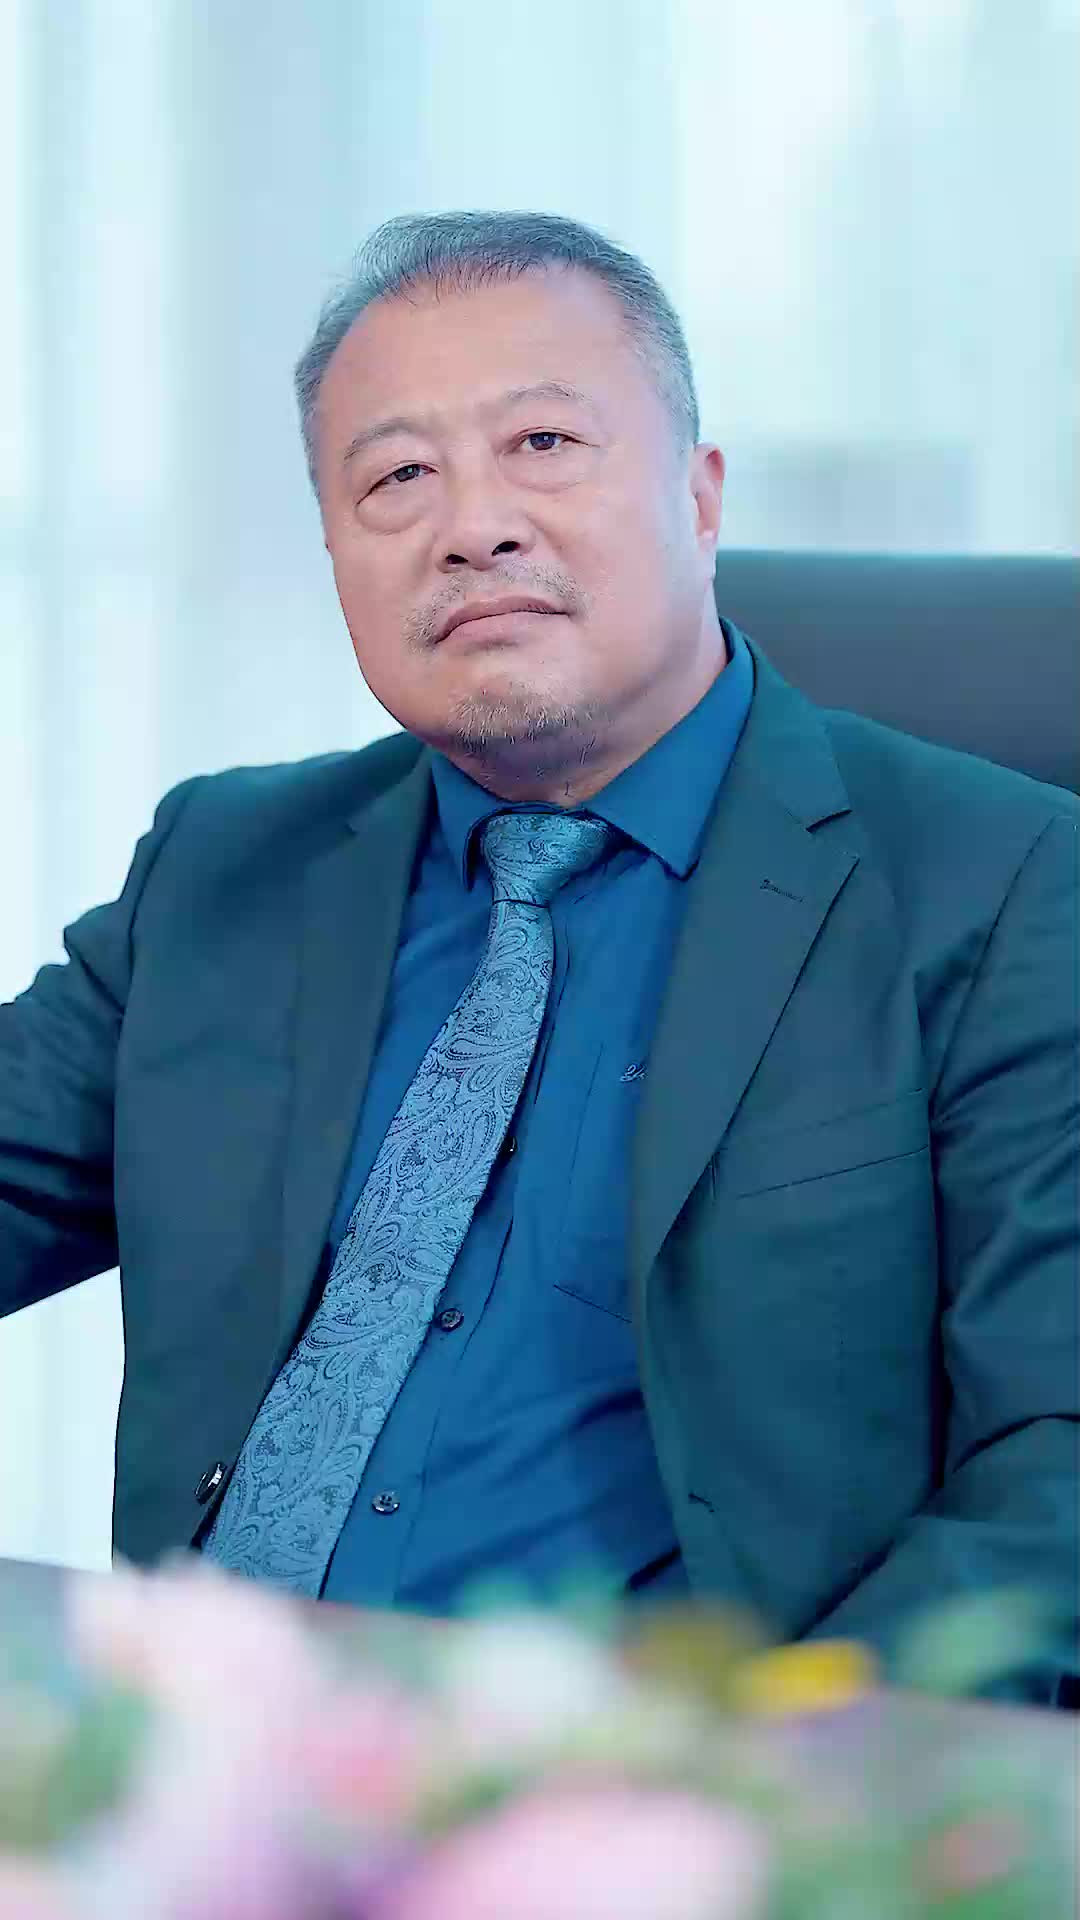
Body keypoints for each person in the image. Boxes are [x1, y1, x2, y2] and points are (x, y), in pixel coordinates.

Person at [1, 211, 1076, 1703]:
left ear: (698, 494)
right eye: (396, 478)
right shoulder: (222, 871)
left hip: (676, 1782)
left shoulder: (1006, 887)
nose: (474, 526)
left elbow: (1055, 1471)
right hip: (194, 1764)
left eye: (545, 445)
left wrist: (756, 1779)